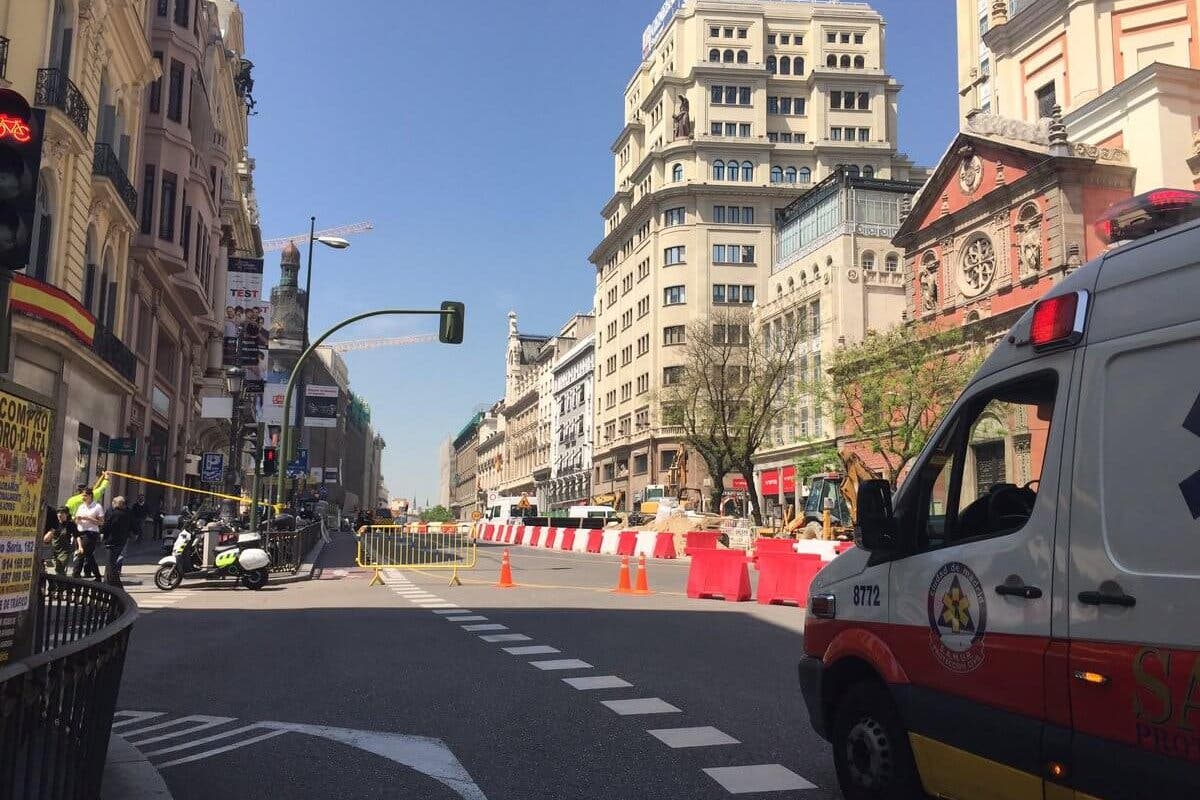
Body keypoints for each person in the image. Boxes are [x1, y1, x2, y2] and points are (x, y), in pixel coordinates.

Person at [101, 496, 135, 587]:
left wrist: (101, 531)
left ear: (116, 503)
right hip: (122, 541)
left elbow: (107, 526)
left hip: (111, 541)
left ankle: (114, 584)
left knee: (111, 563)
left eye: (113, 502)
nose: (112, 504)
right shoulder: (128, 513)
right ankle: (108, 582)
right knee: (112, 563)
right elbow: (133, 525)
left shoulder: (114, 514)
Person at [72, 489, 104, 580]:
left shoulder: (97, 506)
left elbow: (101, 523)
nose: (83, 497)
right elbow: (76, 519)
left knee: (81, 553)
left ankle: (75, 575)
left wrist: (89, 518)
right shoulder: (81, 506)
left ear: (90, 496)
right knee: (88, 555)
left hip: (90, 533)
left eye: (85, 496)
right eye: (82, 495)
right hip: (80, 532)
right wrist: (77, 519)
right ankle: (97, 576)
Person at [42, 506, 77, 576]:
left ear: (66, 514)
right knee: (58, 570)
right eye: (58, 513)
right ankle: (62, 583)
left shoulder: (70, 524)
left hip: (65, 550)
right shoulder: (54, 524)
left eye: (62, 513)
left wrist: (78, 548)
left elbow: (77, 536)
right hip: (54, 550)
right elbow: (46, 539)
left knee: (59, 568)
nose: (59, 514)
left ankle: (60, 584)